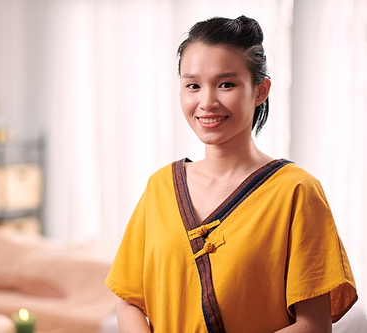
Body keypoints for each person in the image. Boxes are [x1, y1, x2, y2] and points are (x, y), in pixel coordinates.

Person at [105, 16, 357, 333]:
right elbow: (129, 300)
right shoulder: (160, 186)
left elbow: (314, 325)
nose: (207, 102)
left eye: (226, 84)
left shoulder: (296, 191)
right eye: (193, 85)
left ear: (260, 90)